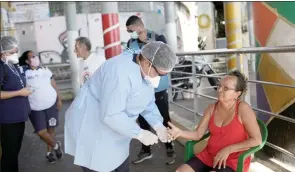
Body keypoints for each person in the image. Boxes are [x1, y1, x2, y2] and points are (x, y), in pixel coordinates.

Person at [64, 41, 177, 172]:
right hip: (93, 127)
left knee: (118, 163)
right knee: (98, 164)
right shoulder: (120, 73)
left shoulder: (144, 70)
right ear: (147, 62)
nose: (160, 78)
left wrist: (158, 125)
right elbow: (111, 114)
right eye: (160, 74)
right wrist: (139, 133)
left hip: (117, 131)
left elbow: (146, 101)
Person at [168, 70, 262, 172]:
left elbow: (257, 140)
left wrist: (229, 149)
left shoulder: (243, 109)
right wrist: (180, 133)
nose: (219, 90)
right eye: (219, 86)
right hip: (209, 156)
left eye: (225, 88)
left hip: (232, 160)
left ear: (237, 94)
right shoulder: (211, 108)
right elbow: (198, 134)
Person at [125, 15, 176, 164]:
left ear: (139, 26)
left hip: (158, 88)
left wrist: (149, 45)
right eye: (128, 31)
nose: (130, 33)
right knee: (142, 119)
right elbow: (128, 61)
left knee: (163, 118)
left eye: (131, 30)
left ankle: (170, 148)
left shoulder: (158, 38)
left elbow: (167, 57)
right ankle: (146, 150)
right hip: (140, 88)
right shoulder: (131, 42)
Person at [18, 50, 64, 163]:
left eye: (36, 56)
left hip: (51, 104)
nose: (35, 58)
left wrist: (59, 99)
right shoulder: (23, 72)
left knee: (51, 129)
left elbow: (54, 84)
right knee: (40, 132)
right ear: (27, 61)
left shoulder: (45, 69)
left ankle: (49, 153)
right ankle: (56, 145)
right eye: (32, 57)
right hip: (34, 107)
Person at [0, 36, 32, 172]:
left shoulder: (11, 65)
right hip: (8, 119)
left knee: (14, 153)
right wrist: (19, 92)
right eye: (12, 52)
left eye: (16, 51)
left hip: (18, 117)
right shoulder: (1, 67)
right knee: (9, 155)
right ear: (3, 52)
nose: (15, 54)